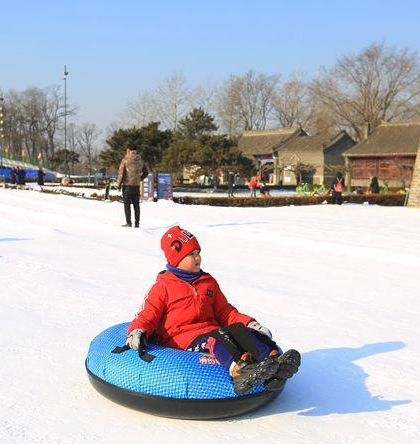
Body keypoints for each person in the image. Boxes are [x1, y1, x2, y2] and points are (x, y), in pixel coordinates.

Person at [126, 226, 300, 394]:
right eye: (190, 254)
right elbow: (148, 313)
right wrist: (138, 331)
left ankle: (271, 362)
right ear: (175, 259)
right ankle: (239, 372)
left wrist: (250, 323)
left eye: (198, 252)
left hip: (213, 331)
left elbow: (226, 311)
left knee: (239, 330)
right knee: (217, 338)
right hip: (182, 339)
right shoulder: (163, 287)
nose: (197, 258)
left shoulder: (208, 282)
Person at [117, 145, 148, 228]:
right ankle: (137, 223)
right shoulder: (140, 160)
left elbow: (121, 174)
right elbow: (146, 172)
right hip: (136, 186)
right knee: (136, 206)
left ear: (128, 150)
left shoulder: (125, 160)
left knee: (127, 206)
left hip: (127, 186)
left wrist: (119, 185)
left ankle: (128, 223)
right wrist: (140, 179)